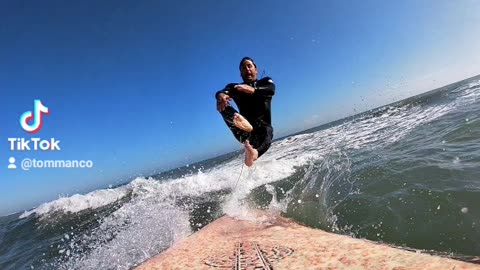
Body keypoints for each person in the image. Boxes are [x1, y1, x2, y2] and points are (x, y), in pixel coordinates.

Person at [215, 57, 275, 166]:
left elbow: (270, 89)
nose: (247, 69)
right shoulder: (235, 87)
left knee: (267, 130)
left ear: (256, 70)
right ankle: (237, 119)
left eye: (249, 66)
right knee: (221, 104)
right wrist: (220, 96)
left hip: (261, 130)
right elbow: (221, 91)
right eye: (243, 67)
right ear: (240, 73)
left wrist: (253, 90)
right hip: (242, 131)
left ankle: (253, 154)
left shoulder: (265, 82)